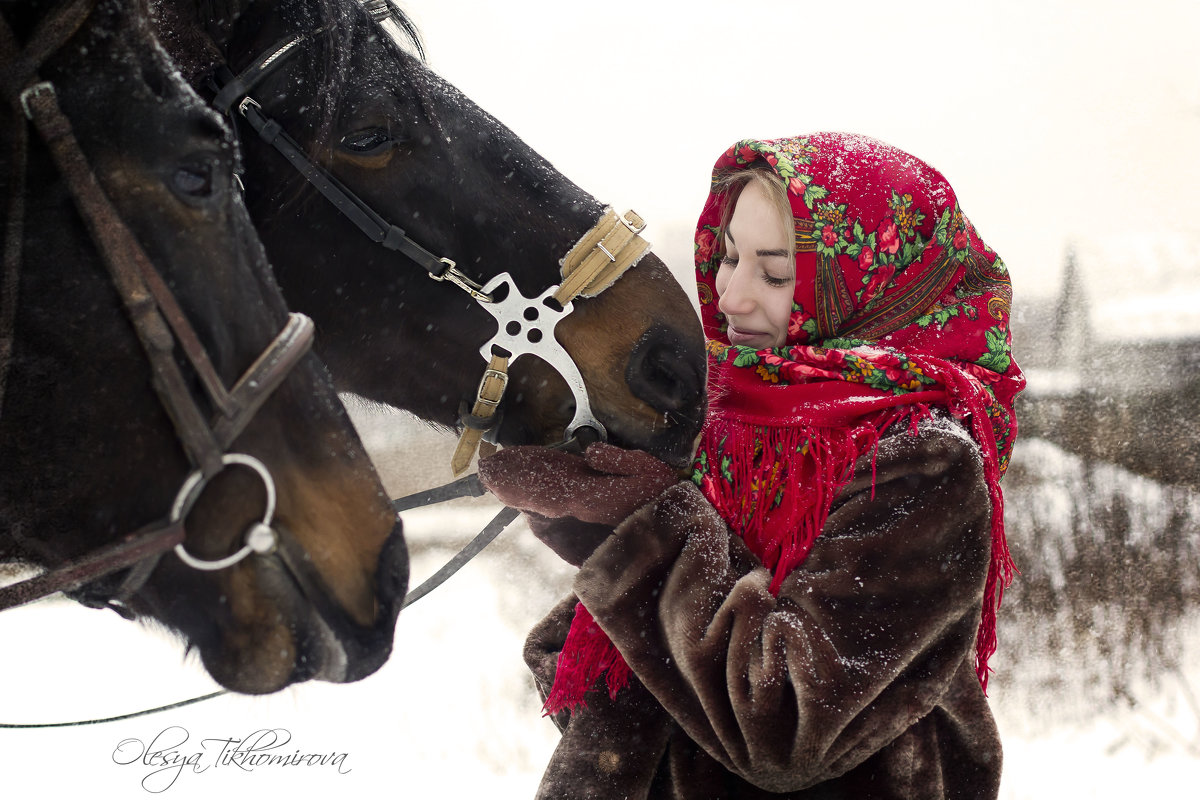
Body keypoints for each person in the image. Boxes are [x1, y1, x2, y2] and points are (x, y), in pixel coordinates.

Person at [479, 132, 1025, 799]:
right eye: (728, 259)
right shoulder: (724, 429)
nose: (732, 296)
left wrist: (644, 526)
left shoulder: (921, 462)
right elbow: (603, 683)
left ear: (866, 286)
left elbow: (787, 729)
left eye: (772, 272)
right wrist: (588, 515)